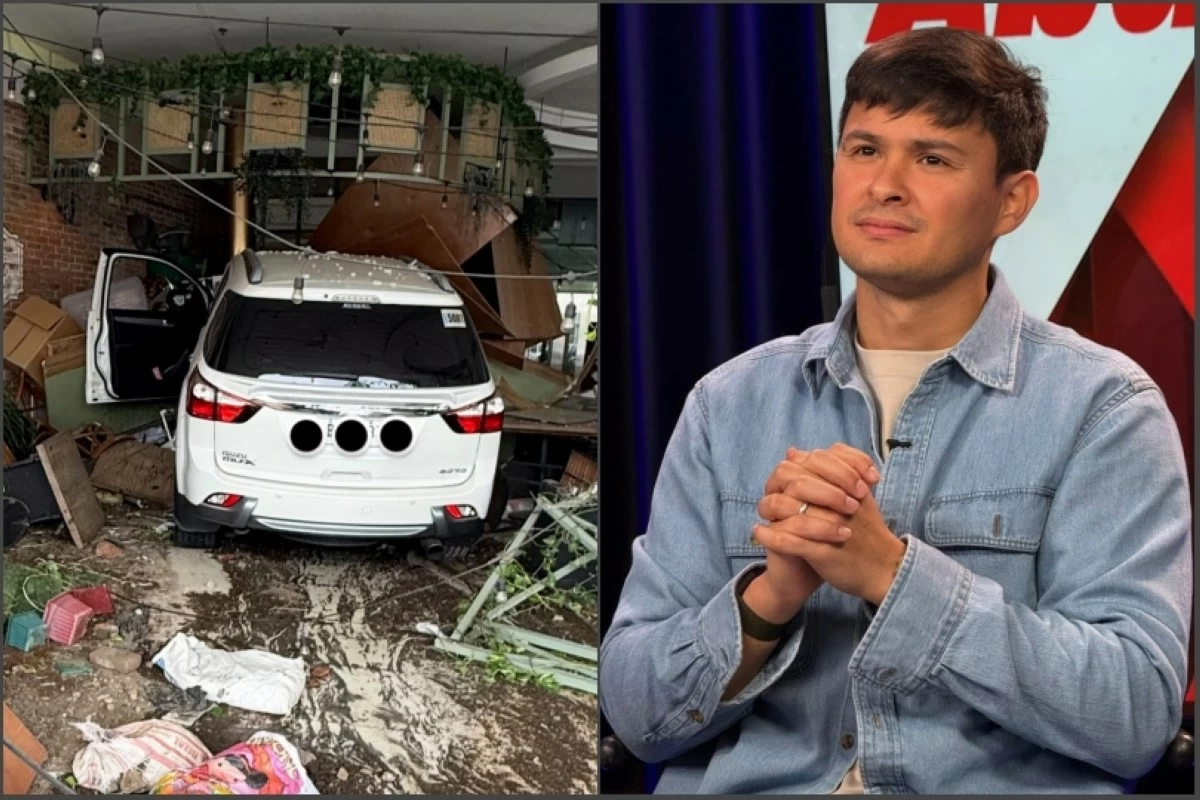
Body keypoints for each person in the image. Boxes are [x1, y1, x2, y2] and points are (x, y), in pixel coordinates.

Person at [599, 26, 1192, 795]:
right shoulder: (728, 403)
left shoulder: (1104, 408)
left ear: (1011, 201)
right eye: (865, 149)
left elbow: (1134, 714)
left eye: (933, 157)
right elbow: (637, 714)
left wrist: (892, 573)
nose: (884, 184)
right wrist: (770, 595)